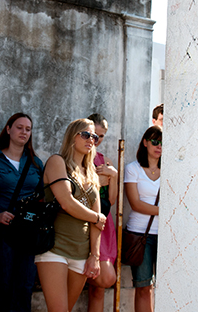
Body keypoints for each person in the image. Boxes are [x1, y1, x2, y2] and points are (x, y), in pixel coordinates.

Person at [35, 119, 107, 312]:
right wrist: (96, 218)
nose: (90, 139)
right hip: (54, 248)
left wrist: (95, 256)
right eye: (85, 134)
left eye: (94, 136)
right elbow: (66, 202)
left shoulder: (92, 173)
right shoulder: (56, 162)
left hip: (82, 253)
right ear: (72, 136)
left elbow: (98, 220)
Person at [0, 113, 43, 312]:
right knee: (3, 284)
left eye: (28, 129)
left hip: (28, 232)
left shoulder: (35, 163)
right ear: (8, 129)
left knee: (25, 285)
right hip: (2, 233)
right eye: (19, 127)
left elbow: (43, 197)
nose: (24, 132)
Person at [124, 126, 161, 312]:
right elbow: (136, 204)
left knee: (162, 288)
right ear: (145, 143)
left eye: (163, 142)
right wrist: (164, 212)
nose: (159, 146)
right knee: (143, 287)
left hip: (164, 236)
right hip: (140, 235)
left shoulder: (172, 170)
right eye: (155, 141)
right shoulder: (133, 169)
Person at [85, 114, 117, 312]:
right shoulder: (76, 157)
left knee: (100, 286)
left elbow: (111, 201)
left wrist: (113, 175)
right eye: (94, 134)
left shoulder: (105, 160)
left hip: (104, 225)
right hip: (83, 222)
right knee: (98, 278)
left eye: (102, 136)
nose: (97, 140)